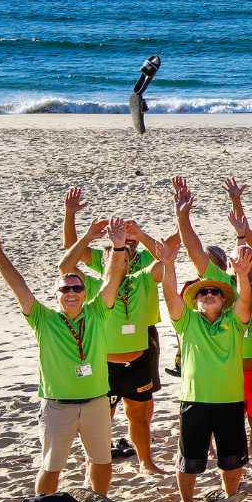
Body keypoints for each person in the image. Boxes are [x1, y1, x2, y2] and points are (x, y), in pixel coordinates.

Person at [0, 221, 128, 495]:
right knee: (51, 467)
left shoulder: (96, 312)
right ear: (56, 295)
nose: (71, 293)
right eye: (64, 289)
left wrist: (118, 247)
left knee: (102, 462)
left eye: (76, 288)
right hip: (58, 408)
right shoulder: (42, 319)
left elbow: (111, 278)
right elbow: (18, 286)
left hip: (96, 404)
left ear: (84, 293)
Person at [60, 191, 168, 477]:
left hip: (139, 358)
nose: (117, 259)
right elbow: (66, 264)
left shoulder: (141, 276)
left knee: (139, 416)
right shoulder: (95, 285)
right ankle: (91, 463)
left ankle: (146, 461)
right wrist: (77, 223)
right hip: (104, 364)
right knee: (101, 420)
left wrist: (140, 234)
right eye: (111, 255)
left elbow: (167, 257)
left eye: (123, 254)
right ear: (103, 261)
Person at [156, 240, 252, 502]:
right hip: (195, 401)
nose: (208, 295)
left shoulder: (233, 321)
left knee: (231, 458)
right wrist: (168, 264)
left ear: (223, 299)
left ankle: (230, 500)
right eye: (203, 293)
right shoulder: (187, 321)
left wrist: (243, 275)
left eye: (214, 292)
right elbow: (169, 296)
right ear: (196, 301)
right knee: (189, 459)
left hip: (230, 401)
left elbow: (245, 300)